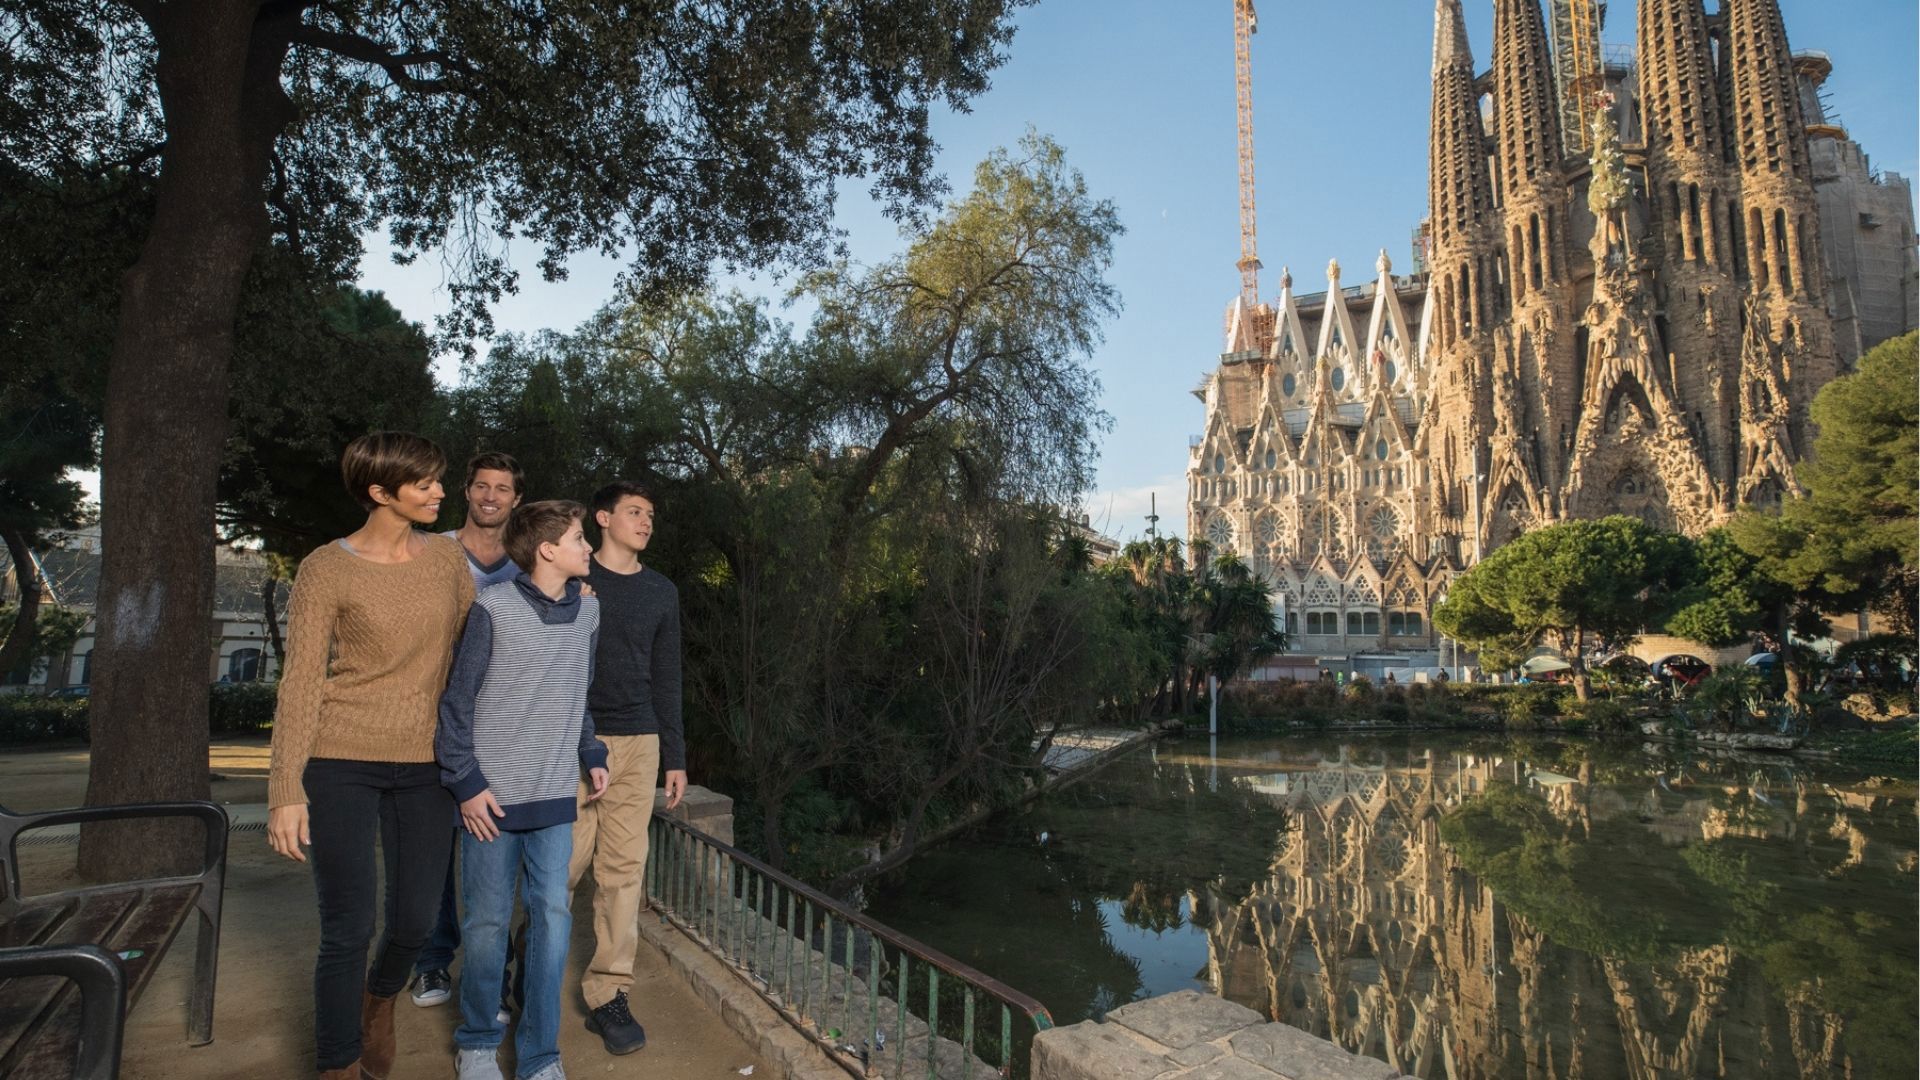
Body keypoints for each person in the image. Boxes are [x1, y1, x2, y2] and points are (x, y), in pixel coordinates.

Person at [266, 431, 476, 1080]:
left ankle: (379, 1001)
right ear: (380, 492)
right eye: (426, 483)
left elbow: (477, 647)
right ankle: (338, 1065)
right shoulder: (326, 568)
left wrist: (560, 601)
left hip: (426, 765)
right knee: (347, 927)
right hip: (341, 760)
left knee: (415, 921)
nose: (442, 491)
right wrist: (285, 791)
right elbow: (301, 679)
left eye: (440, 479)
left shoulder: (446, 561)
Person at [436, 500, 610, 1080]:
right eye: (580, 538)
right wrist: (466, 784)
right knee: (485, 923)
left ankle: (539, 1053)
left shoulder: (588, 614)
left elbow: (576, 694)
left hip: (554, 791)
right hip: (490, 797)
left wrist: (592, 754)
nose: (588, 548)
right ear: (547, 550)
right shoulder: (493, 607)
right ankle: (480, 1039)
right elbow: (457, 703)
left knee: (552, 919)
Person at [570, 480, 685, 1055]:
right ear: (603, 518)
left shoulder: (662, 591)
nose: (645, 522)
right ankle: (523, 959)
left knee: (622, 873)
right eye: (635, 512)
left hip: (640, 742)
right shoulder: (570, 574)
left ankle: (608, 992)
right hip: (574, 738)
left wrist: (676, 757)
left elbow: (668, 678)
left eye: (651, 514)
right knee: (560, 870)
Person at [409, 452, 527, 1009]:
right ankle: (432, 962)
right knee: (432, 853)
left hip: (498, 727)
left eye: (502, 489)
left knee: (491, 860)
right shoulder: (433, 552)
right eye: (482, 485)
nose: (491, 496)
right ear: (467, 491)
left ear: (515, 500)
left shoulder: (527, 565)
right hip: (429, 718)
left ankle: (491, 971)